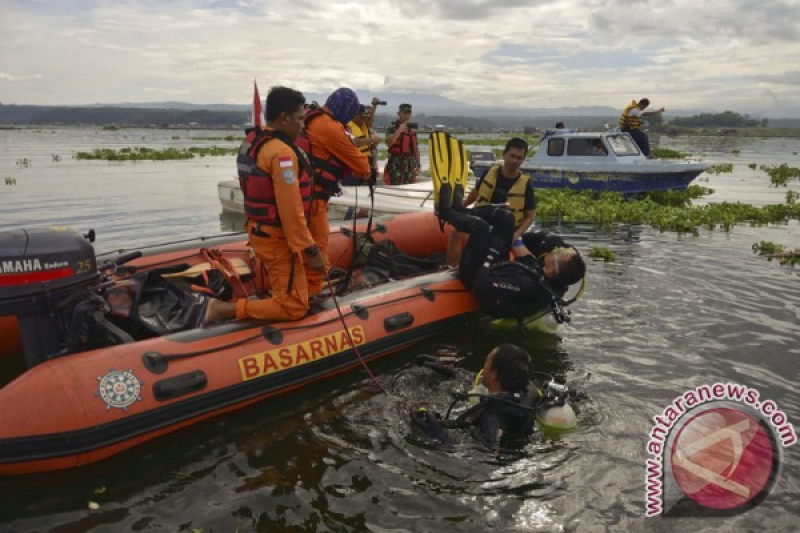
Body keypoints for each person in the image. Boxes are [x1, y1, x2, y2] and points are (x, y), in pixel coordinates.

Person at [204, 86, 324, 324]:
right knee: (294, 307)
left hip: (259, 232)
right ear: (284, 118)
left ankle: (271, 297)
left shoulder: (253, 143)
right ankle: (221, 309)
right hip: (277, 240)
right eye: (300, 118)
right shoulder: (281, 153)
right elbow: (291, 210)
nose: (302, 125)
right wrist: (311, 250)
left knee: (291, 289)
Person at [302, 88, 371, 295]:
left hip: (303, 196)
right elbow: (363, 167)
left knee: (304, 248)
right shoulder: (331, 128)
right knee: (318, 247)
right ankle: (312, 297)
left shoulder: (312, 118)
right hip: (315, 200)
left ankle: (304, 286)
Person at [410, 343, 541, 447]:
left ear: (495, 374)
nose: (483, 368)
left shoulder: (491, 418)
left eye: (487, 362)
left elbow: (479, 458)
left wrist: (439, 434)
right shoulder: (527, 390)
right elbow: (479, 381)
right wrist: (447, 371)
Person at [447, 138, 535, 265]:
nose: (514, 161)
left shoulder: (526, 183)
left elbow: (530, 216)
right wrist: (462, 209)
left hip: (508, 231)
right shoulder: (490, 172)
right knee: (456, 232)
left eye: (519, 158)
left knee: (527, 259)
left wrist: (516, 235)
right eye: (512, 156)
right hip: (482, 223)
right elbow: (475, 193)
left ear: (523, 160)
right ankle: (452, 268)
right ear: (504, 154)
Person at [345, 98, 382, 185]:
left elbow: (370, 121)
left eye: (365, 116)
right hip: (354, 163)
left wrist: (374, 107)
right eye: (362, 116)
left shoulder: (363, 125)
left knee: (368, 186)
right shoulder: (348, 126)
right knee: (354, 186)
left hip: (366, 162)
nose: (364, 118)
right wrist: (370, 140)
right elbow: (353, 142)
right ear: (355, 115)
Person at [384, 103, 420, 185]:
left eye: (409, 113)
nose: (407, 115)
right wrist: (399, 131)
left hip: (409, 164)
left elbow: (416, 150)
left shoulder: (412, 131)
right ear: (399, 114)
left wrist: (418, 165)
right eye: (404, 113)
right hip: (396, 164)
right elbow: (388, 143)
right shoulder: (392, 129)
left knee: (409, 186)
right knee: (396, 186)